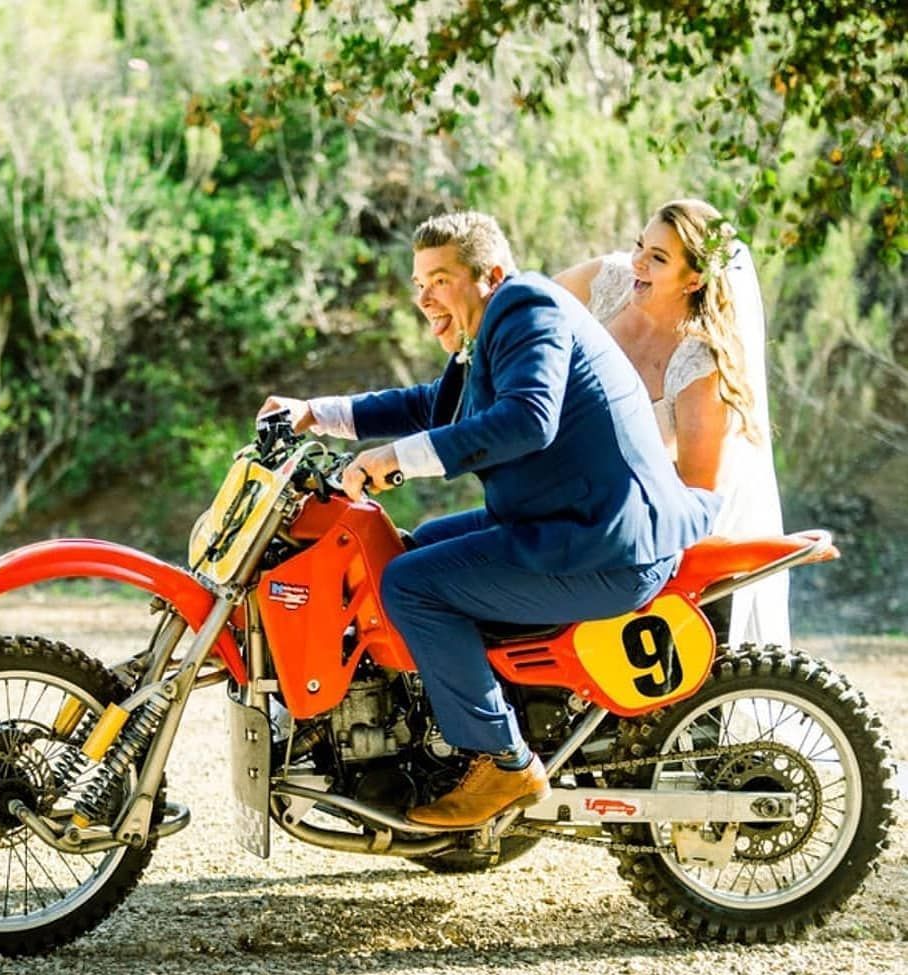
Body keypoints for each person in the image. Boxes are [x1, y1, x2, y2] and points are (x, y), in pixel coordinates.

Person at [259, 210, 718, 829]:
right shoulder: (493, 325)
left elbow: (529, 419)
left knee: (411, 584)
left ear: (488, 276)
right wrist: (318, 412)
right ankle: (445, 739)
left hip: (605, 545)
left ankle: (502, 759)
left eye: (440, 280)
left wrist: (396, 461)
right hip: (567, 524)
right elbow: (435, 404)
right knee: (411, 550)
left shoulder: (528, 308)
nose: (424, 297)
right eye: (418, 283)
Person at [554, 198, 789, 647]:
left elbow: (698, 492)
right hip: (568, 505)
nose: (637, 262)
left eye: (658, 258)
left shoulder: (700, 367)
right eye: (640, 245)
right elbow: (527, 317)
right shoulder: (608, 282)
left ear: (694, 278)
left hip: (652, 532)